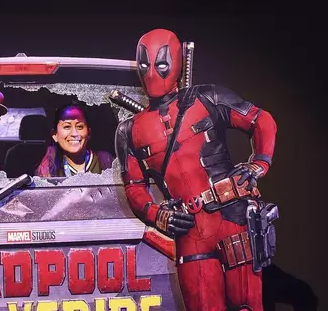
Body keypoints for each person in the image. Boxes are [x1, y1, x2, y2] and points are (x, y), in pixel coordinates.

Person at [115, 28, 278, 311]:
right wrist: (158, 214)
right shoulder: (129, 130)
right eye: (145, 64)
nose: (152, 72)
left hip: (233, 219)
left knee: (247, 306)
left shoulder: (207, 98)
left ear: (176, 62)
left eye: (161, 63)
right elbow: (135, 187)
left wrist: (259, 163)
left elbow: (261, 121)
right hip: (190, 231)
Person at [35, 103, 114, 177]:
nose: (74, 133)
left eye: (79, 127)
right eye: (67, 127)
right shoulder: (47, 169)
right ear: (55, 135)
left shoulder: (106, 162)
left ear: (89, 133)